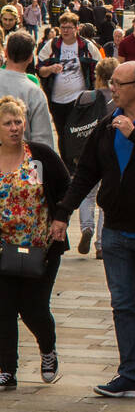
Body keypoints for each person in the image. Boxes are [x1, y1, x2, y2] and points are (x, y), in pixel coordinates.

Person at [50, 61, 135, 397]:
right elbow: (86, 173)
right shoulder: (108, 124)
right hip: (116, 231)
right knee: (122, 302)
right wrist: (63, 212)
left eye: (118, 83)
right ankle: (130, 376)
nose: (112, 87)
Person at [0, 95, 71, 391]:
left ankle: (47, 349)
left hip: (40, 247)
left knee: (33, 306)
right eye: (7, 123)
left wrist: (61, 218)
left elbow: (68, 188)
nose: (14, 128)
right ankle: (7, 369)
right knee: (3, 307)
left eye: (18, 122)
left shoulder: (39, 156)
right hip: (3, 248)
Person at [65, 56, 117, 259]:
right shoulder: (117, 98)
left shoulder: (85, 96)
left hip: (86, 151)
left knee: (88, 194)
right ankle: (101, 244)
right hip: (111, 152)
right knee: (106, 197)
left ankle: (86, 227)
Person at [37, 12, 101, 157]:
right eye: (63, 27)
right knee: (62, 134)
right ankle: (66, 165)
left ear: (77, 28)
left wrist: (96, 91)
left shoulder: (86, 46)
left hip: (79, 99)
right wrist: (51, 69)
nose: (65, 30)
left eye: (69, 27)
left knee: (76, 132)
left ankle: (76, 164)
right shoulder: (53, 45)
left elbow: (100, 67)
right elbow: (40, 69)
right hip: (56, 100)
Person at [0, 31, 55, 151]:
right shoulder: (34, 92)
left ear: (5, 53)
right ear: (31, 58)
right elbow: (43, 141)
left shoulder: (34, 91)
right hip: (19, 163)